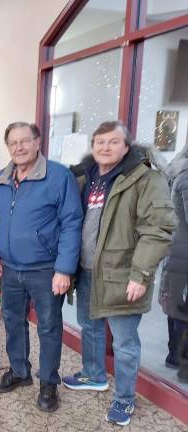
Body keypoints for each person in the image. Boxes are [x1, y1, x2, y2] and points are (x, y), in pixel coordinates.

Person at [63, 121, 176, 426]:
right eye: (99, 142)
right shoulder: (86, 177)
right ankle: (94, 375)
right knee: (90, 327)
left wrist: (140, 274)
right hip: (87, 270)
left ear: (127, 146)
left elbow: (159, 229)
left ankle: (125, 400)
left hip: (123, 275)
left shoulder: (145, 179)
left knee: (124, 342)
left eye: (113, 142)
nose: (105, 147)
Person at [0, 122, 83, 412]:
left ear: (37, 141)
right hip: (9, 268)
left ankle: (48, 383)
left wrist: (64, 269)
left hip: (46, 269)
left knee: (48, 327)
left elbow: (71, 223)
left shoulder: (59, 176)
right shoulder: (1, 179)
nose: (18, 147)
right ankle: (19, 372)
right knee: (13, 322)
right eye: (13, 143)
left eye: (24, 141)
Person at [159, 144, 188, 383]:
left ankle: (175, 355)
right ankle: (178, 358)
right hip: (183, 250)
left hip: (178, 248)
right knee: (179, 305)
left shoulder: (179, 170)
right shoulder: (186, 177)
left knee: (176, 303)